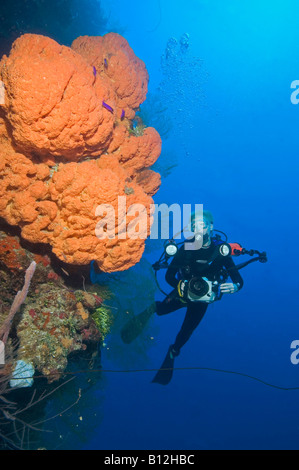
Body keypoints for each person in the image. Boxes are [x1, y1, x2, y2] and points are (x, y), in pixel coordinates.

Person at [121, 210, 244, 385]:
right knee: (162, 311)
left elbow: (239, 280)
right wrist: (181, 288)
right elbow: (169, 277)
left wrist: (235, 287)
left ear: (211, 227)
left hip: (202, 299)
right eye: (194, 226)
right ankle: (152, 308)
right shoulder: (185, 248)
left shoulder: (221, 251)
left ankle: (174, 351)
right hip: (182, 292)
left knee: (187, 330)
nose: (198, 229)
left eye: (202, 225)